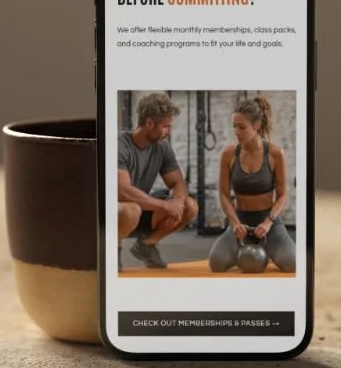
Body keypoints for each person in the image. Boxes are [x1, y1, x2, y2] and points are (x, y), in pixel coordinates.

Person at [208, 95, 296, 273]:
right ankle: (248, 250)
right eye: (234, 126)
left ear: (256, 126)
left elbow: (282, 195)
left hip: (267, 222)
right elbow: (224, 195)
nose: (237, 132)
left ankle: (265, 249)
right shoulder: (229, 154)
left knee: (291, 264)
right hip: (241, 222)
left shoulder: (275, 153)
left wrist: (268, 222)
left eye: (242, 127)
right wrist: (234, 223)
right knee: (216, 264)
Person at [118, 92, 198, 269]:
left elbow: (178, 183)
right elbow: (122, 191)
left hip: (141, 210)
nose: (168, 132)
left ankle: (146, 245)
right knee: (131, 210)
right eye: (165, 126)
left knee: (189, 205)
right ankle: (111, 250)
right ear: (149, 123)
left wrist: (176, 204)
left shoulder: (162, 147)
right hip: (117, 213)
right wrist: (164, 206)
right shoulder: (119, 145)